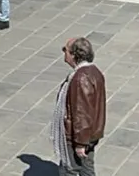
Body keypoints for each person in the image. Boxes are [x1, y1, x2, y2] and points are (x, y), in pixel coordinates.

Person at [54, 37, 106, 176]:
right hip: (90, 134)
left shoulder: (80, 78)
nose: (64, 52)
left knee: (69, 170)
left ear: (74, 54)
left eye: (65, 50)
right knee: (86, 169)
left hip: (77, 136)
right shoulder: (94, 71)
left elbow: (82, 112)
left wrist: (80, 143)